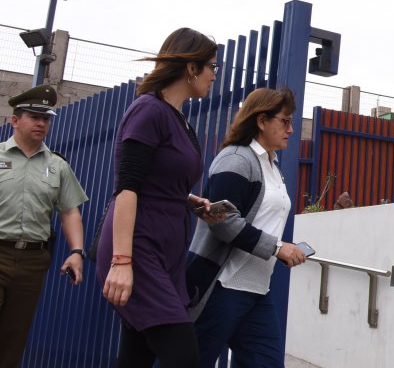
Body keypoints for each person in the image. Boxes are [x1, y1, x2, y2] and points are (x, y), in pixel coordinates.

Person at [97, 28, 223, 368]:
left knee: (137, 356)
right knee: (183, 355)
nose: (214, 75)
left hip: (166, 249)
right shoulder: (148, 110)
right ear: (191, 68)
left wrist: (188, 200)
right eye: (212, 66)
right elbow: (128, 186)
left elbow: (158, 179)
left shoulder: (178, 117)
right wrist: (121, 261)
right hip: (138, 246)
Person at [186, 87, 308, 367]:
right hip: (222, 286)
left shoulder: (272, 166)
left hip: (257, 291)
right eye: (285, 121)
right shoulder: (237, 159)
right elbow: (223, 221)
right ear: (261, 120)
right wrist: (277, 248)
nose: (291, 129)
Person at [0, 84, 89, 368]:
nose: (41, 123)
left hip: (32, 261)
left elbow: (69, 211)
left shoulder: (58, 166)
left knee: (14, 336)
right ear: (15, 120)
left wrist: (77, 252)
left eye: (46, 118)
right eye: (34, 117)